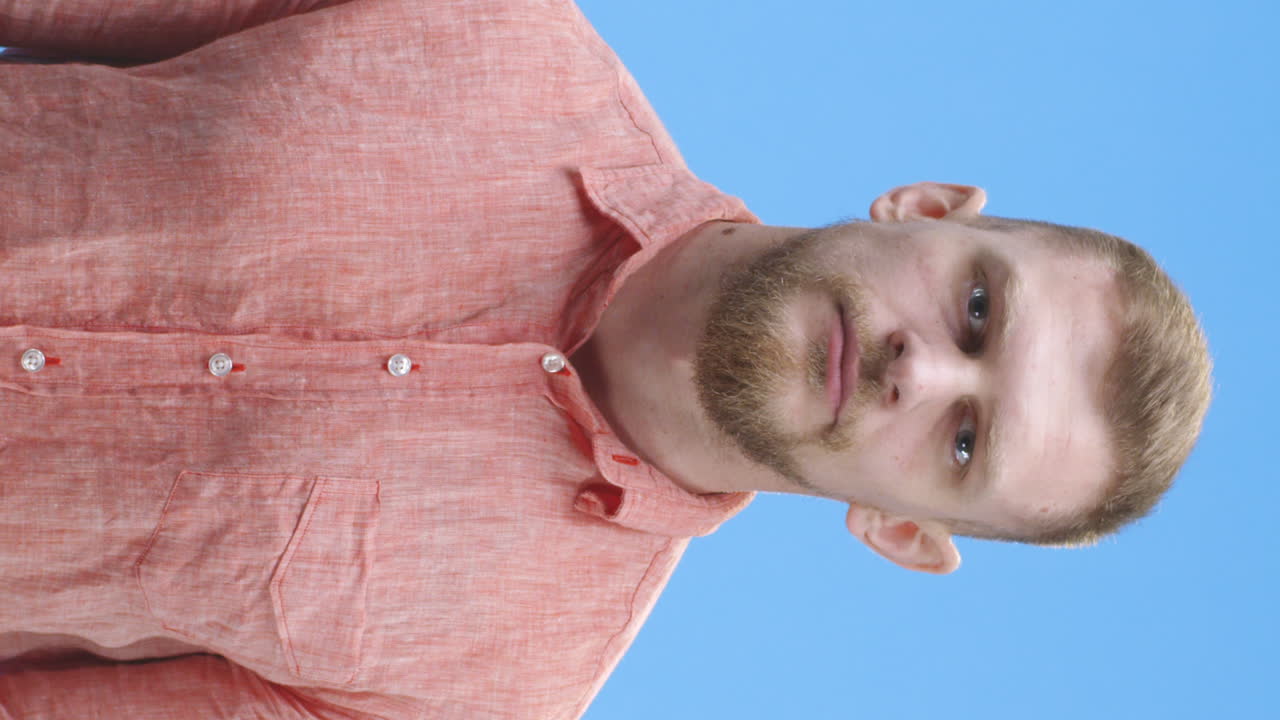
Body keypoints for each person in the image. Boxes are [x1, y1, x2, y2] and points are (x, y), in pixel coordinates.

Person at [0, 1, 1211, 718]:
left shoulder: (487, 693)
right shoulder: (491, 34)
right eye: (979, 314)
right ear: (931, 207)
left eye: (963, 441)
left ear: (901, 532)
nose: (921, 373)